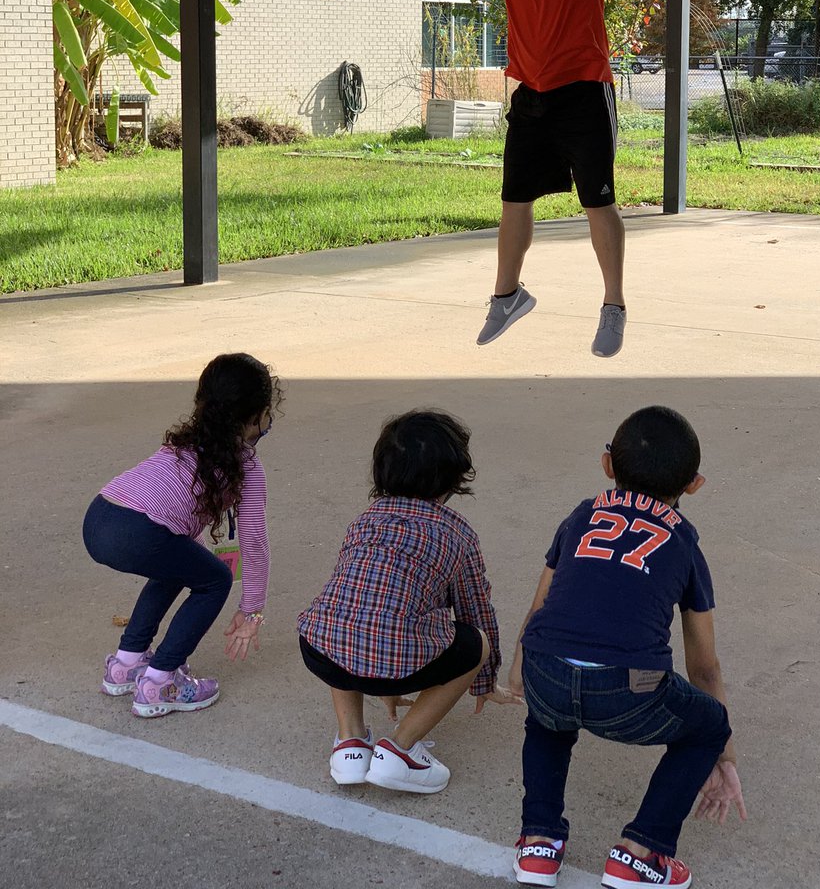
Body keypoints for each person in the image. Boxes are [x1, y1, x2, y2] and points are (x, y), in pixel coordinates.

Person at [400, 0, 647, 357]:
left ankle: (613, 305)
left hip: (583, 92)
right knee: (515, 200)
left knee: (598, 202)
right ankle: (506, 296)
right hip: (531, 97)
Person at [508, 406, 746, 887]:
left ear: (607, 464)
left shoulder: (583, 514)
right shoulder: (684, 543)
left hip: (545, 669)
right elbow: (705, 669)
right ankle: (642, 853)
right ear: (694, 484)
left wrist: (519, 669)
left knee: (547, 720)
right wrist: (722, 752)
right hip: (627, 689)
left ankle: (538, 843)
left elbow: (541, 604)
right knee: (707, 724)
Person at [297, 408, 522, 794]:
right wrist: (485, 680)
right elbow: (475, 611)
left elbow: (362, 598)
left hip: (319, 649)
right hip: (396, 654)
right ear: (453, 478)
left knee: (343, 614)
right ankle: (399, 751)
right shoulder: (458, 533)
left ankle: (350, 743)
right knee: (475, 643)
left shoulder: (364, 520)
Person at [82, 352, 281, 718]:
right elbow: (253, 542)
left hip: (98, 516)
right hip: (139, 531)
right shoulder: (246, 464)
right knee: (215, 579)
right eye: (268, 413)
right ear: (256, 416)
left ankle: (126, 664)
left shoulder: (182, 443)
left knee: (180, 565)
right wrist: (252, 610)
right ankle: (161, 682)